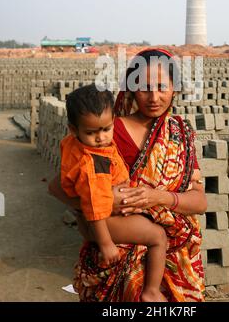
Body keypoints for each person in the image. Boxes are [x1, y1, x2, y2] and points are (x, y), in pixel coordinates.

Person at [49, 48, 207, 302]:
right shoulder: (108, 132)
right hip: (116, 258)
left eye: (161, 87)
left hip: (175, 258)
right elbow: (58, 187)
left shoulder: (179, 134)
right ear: (131, 89)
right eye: (144, 88)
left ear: (175, 88)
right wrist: (102, 207)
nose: (154, 97)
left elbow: (199, 202)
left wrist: (156, 197)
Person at [61, 84, 168, 302]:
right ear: (74, 130)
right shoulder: (95, 162)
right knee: (158, 236)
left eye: (106, 129)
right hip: (104, 220)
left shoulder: (74, 144)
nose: (101, 138)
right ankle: (152, 291)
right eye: (91, 132)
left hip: (100, 216)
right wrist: (106, 244)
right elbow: (95, 205)